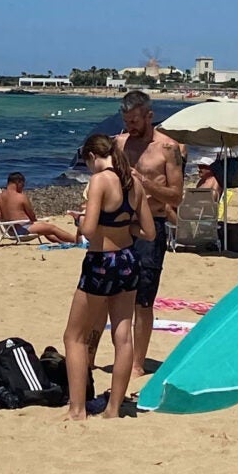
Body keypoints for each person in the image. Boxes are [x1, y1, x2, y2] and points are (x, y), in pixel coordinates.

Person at [61, 133, 144, 421]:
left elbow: (88, 229)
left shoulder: (99, 181)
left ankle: (77, 409)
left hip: (101, 262)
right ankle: (113, 408)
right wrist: (124, 227)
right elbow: (149, 231)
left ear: (93, 157)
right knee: (123, 336)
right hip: (128, 258)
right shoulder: (134, 182)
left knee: (74, 337)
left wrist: (79, 219)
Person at [113, 91, 184, 407]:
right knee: (112, 293)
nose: (131, 127)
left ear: (149, 115)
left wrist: (143, 180)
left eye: (135, 121)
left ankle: (139, 362)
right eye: (126, 121)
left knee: (143, 299)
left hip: (150, 227)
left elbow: (176, 196)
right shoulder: (120, 143)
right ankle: (115, 354)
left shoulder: (167, 149)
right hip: (118, 225)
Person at [0, 173, 78, 245]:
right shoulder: (21, 197)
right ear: (18, 182)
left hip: (10, 230)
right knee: (52, 228)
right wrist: (32, 220)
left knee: (45, 229)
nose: (22, 188)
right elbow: (31, 215)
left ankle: (62, 242)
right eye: (22, 185)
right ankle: (77, 240)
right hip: (22, 229)